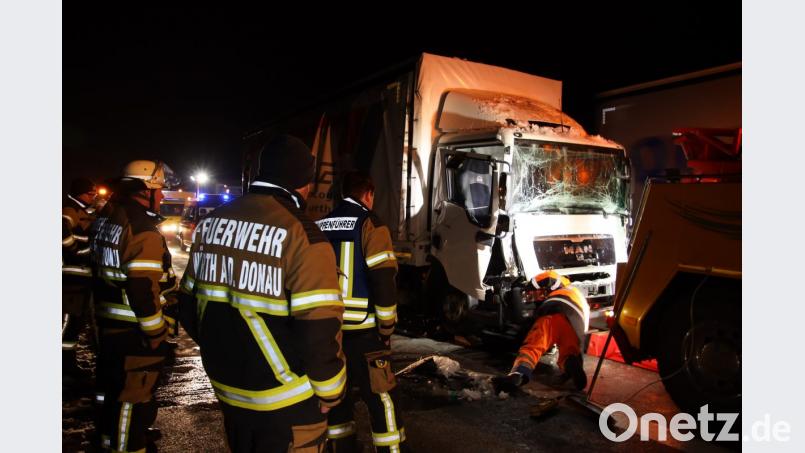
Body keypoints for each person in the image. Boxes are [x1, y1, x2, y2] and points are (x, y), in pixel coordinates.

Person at [178, 134, 347, 453]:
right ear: (305, 182)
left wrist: (226, 353)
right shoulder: (303, 233)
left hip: (228, 391)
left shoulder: (213, 223)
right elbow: (319, 328)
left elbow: (187, 304)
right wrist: (330, 392)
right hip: (287, 400)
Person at [90, 160, 180, 452]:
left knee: (111, 393)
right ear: (144, 190)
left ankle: (107, 439)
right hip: (134, 332)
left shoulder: (109, 216)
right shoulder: (141, 227)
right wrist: (155, 332)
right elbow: (142, 287)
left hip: (109, 322)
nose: (163, 196)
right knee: (132, 398)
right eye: (159, 189)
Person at [316, 171, 407, 453]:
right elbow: (383, 282)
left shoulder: (317, 225)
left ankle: (341, 449)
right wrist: (387, 329)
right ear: (368, 194)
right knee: (382, 399)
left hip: (328, 333)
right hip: (365, 335)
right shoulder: (371, 225)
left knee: (337, 399)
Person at [494, 270, 590, 392]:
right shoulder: (579, 296)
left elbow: (549, 276)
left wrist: (527, 287)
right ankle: (571, 367)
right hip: (575, 319)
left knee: (532, 347)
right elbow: (583, 330)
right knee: (570, 351)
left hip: (554, 309)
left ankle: (518, 374)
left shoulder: (562, 284)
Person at [62, 177, 98, 381]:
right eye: (90, 194)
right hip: (71, 277)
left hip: (81, 278)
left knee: (75, 324)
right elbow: (63, 234)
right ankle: (64, 368)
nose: (92, 198)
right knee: (68, 325)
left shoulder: (83, 211)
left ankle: (69, 364)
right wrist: (75, 251)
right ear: (79, 193)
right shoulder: (69, 211)